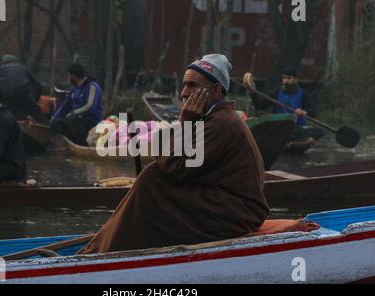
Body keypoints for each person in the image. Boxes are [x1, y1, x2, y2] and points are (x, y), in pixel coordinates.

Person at [78, 54, 269, 254]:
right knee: (152, 178)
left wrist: (185, 122)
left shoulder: (221, 123)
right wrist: (185, 122)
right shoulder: (210, 118)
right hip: (221, 203)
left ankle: (104, 251)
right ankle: (103, 245)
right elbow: (169, 156)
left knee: (151, 180)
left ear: (216, 90)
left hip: (238, 213)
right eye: (184, 85)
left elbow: (175, 169)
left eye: (193, 85)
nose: (185, 93)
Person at [244, 68, 325, 143]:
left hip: (297, 127)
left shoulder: (303, 94)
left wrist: (304, 112)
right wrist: (253, 93)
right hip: (280, 128)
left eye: (289, 78)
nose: (285, 81)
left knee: (320, 131)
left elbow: (313, 112)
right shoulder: (277, 93)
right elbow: (260, 106)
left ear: (296, 80)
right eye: (284, 78)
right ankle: (303, 139)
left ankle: (300, 139)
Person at [51, 63, 103, 146]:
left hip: (91, 120)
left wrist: (74, 113)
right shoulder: (74, 88)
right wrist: (54, 117)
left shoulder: (92, 86)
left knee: (71, 120)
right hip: (75, 120)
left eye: (69, 75)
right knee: (54, 123)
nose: (69, 78)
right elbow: (66, 105)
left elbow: (90, 106)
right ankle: (72, 139)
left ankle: (83, 144)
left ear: (74, 76)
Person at [0, 55, 46, 123]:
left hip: (6, 97)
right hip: (22, 94)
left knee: (8, 112)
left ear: (3, 63)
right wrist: (34, 99)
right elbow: (37, 84)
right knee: (36, 111)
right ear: (15, 61)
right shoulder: (22, 67)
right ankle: (46, 128)